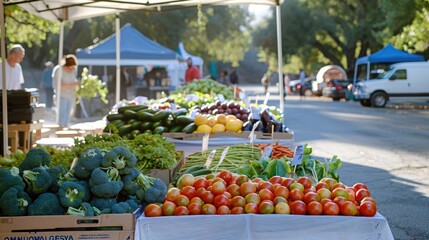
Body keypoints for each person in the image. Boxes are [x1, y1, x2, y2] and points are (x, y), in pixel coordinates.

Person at [52, 54, 79, 128]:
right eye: (70, 66)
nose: (72, 68)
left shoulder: (74, 70)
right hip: (62, 95)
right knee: (62, 115)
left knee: (68, 115)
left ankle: (66, 128)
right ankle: (60, 129)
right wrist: (73, 84)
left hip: (71, 95)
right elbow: (58, 85)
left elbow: (74, 80)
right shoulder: (59, 70)